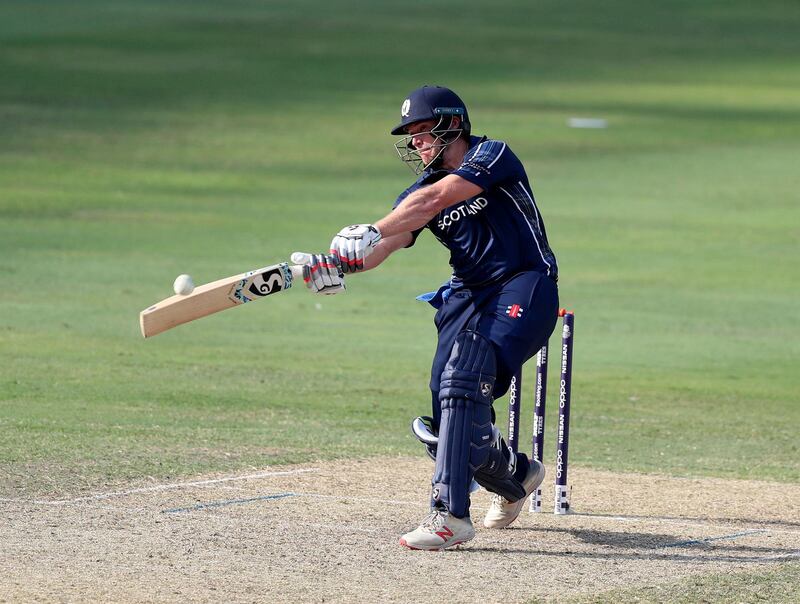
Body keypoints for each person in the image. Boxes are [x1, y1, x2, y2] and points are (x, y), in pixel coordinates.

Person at [301, 85, 559, 550]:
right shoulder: (416, 193)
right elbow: (384, 246)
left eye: (423, 131)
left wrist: (374, 226)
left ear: (452, 125)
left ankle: (450, 516)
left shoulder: (492, 155)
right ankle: (515, 477)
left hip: (524, 283)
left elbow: (436, 200)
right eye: (411, 135)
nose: (416, 142)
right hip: (467, 295)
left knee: (464, 380)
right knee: (447, 417)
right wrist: (335, 265)